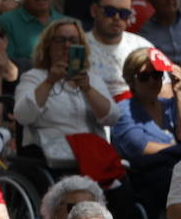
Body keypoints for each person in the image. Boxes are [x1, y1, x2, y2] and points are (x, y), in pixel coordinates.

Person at [14, 18, 120, 170]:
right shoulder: (34, 77)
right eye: (60, 40)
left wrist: (88, 89)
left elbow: (113, 118)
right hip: (53, 156)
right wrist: (50, 81)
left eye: (73, 40)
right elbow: (22, 116)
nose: (67, 46)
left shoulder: (92, 79)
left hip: (91, 155)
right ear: (48, 46)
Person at [113, 46, 181, 217]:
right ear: (131, 81)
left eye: (157, 75)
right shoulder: (123, 111)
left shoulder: (169, 105)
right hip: (147, 180)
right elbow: (140, 147)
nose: (152, 81)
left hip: (180, 172)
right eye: (145, 77)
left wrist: (178, 92)